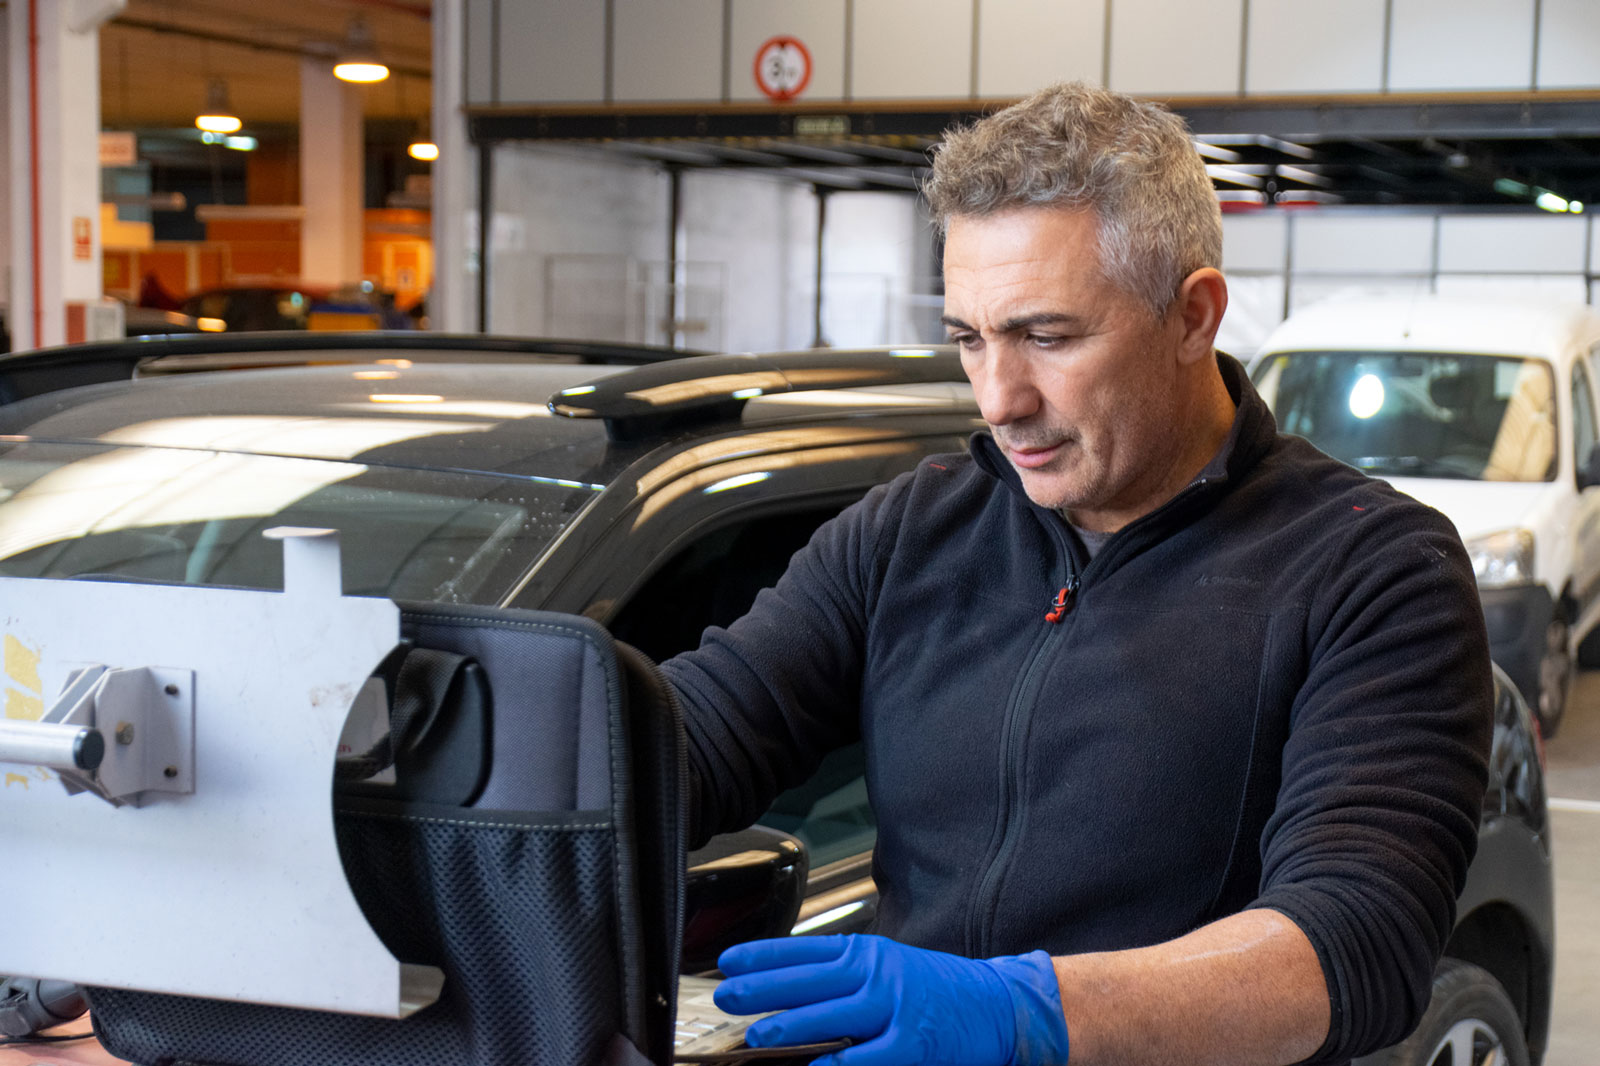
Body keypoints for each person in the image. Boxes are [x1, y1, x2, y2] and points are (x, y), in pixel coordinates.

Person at [659, 81, 1492, 1066]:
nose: (998, 399)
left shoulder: (1371, 568)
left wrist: (1033, 1012)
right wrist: (513, 725)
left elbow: (1356, 940)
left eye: (1046, 337)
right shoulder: (909, 533)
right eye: (969, 339)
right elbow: (688, 740)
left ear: (1193, 316)